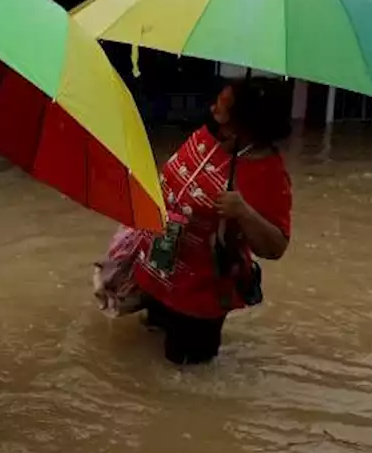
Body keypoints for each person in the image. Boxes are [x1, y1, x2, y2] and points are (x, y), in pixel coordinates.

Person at [94, 77, 293, 365]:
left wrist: (243, 212)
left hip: (199, 297)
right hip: (158, 272)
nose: (213, 108)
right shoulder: (207, 136)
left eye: (223, 107)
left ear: (246, 120)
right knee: (146, 347)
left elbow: (276, 247)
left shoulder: (268, 173)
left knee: (183, 377)